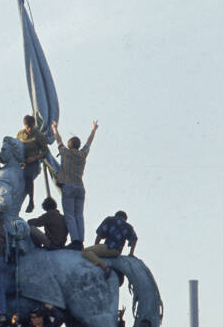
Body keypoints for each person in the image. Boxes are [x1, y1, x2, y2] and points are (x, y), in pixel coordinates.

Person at [50, 120, 97, 250]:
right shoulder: (83, 154)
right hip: (80, 187)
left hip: (68, 186)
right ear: (78, 145)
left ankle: (75, 240)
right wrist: (93, 130)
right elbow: (89, 143)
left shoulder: (65, 152)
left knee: (69, 215)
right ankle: (80, 240)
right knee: (79, 215)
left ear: (69, 145)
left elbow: (58, 140)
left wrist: (55, 128)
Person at [82, 211, 137, 278]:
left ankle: (105, 267)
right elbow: (134, 239)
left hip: (108, 247)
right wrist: (131, 253)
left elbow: (100, 234)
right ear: (125, 218)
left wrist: (96, 246)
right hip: (117, 252)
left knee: (85, 251)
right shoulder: (128, 226)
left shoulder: (110, 220)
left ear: (116, 215)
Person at [16, 115, 50, 213]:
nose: (29, 129)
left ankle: (31, 201)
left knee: (28, 176)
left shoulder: (38, 135)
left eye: (31, 127)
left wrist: (35, 157)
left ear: (34, 125)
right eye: (27, 127)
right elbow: (16, 146)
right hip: (21, 161)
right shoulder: (20, 134)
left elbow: (45, 151)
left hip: (33, 162)